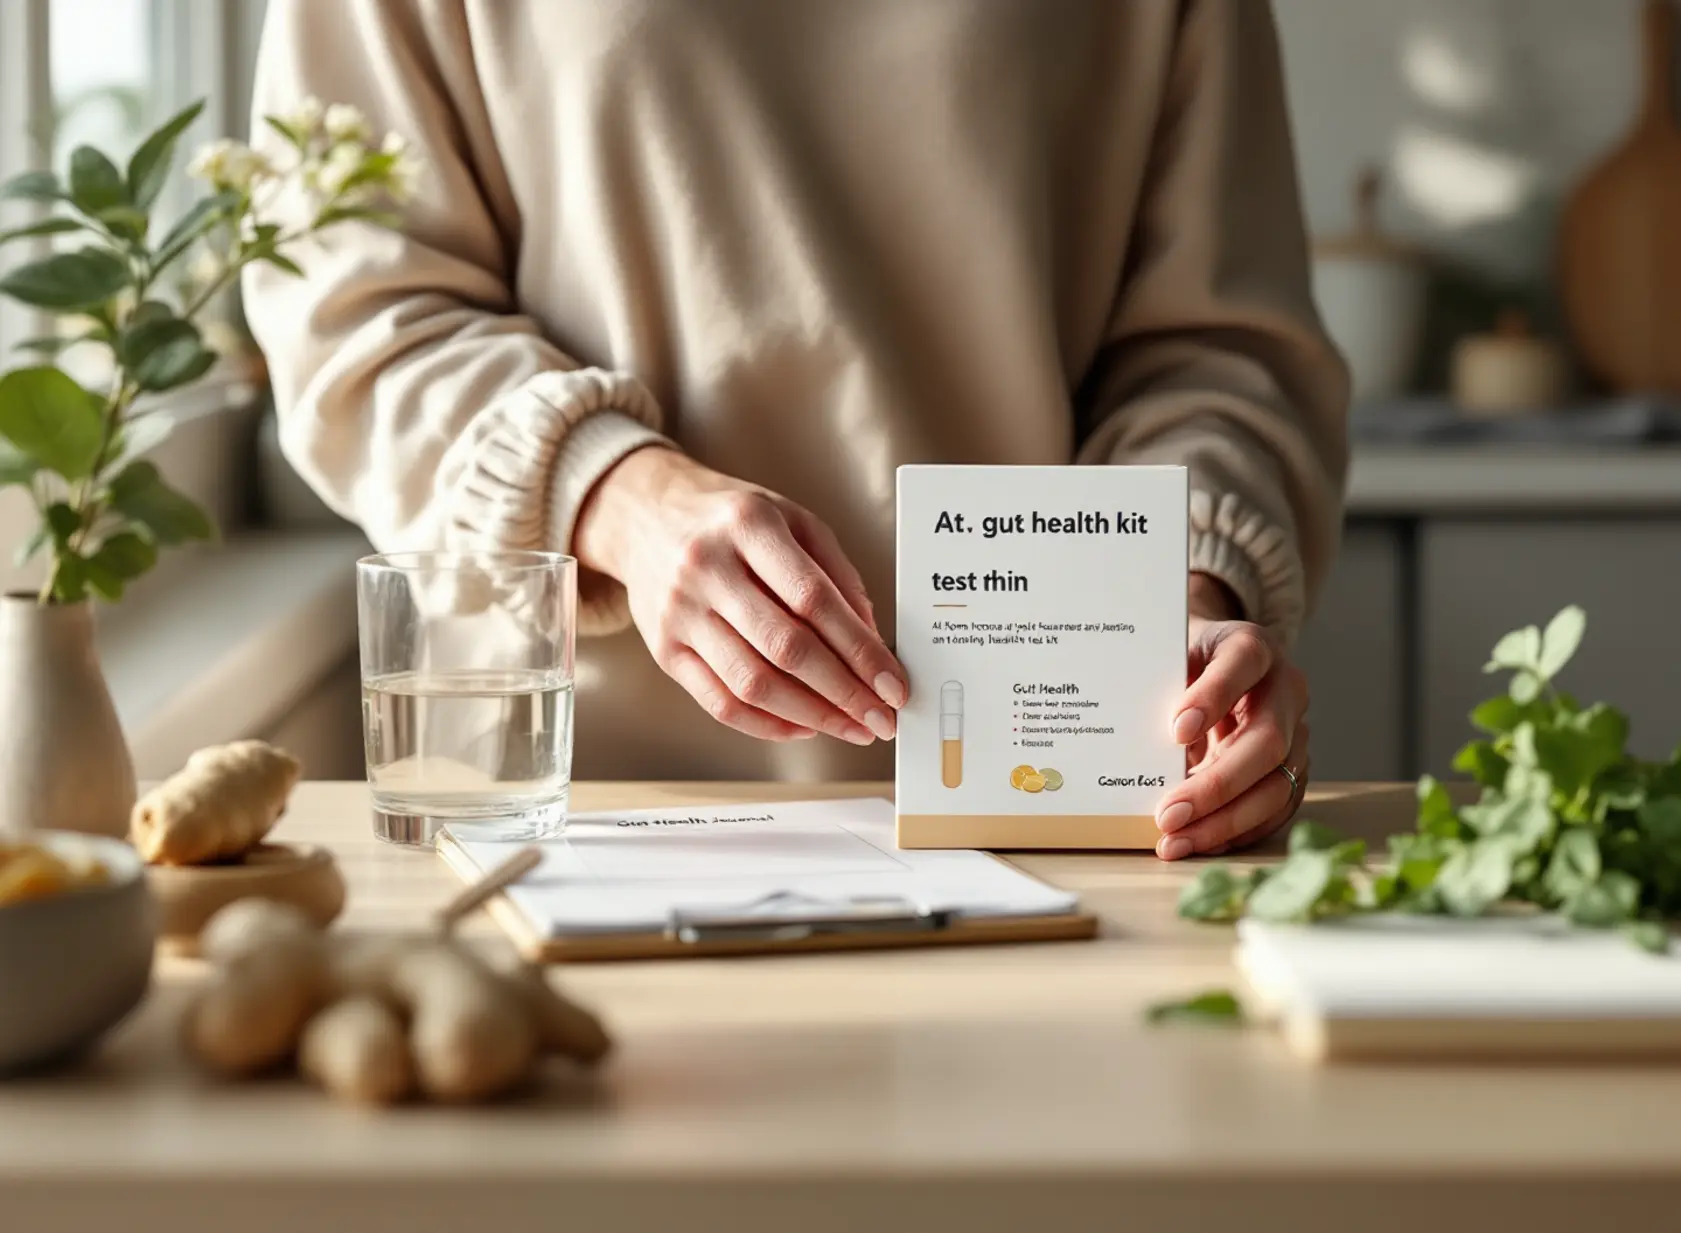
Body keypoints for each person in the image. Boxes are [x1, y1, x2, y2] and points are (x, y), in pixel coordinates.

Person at [244, 0, 1349, 861]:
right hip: (575, 818)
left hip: (1056, 815)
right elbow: (350, 306)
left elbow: (1218, 350)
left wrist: (1182, 594)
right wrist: (619, 496)